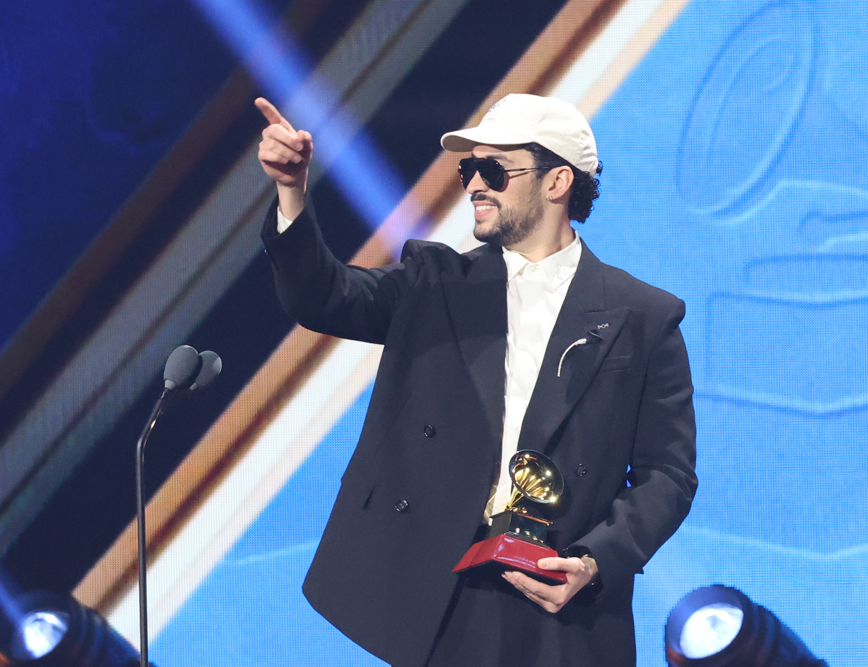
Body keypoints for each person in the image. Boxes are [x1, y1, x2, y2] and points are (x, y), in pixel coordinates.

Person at [255, 93, 697, 666]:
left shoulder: (643, 316)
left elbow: (667, 474)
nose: (474, 186)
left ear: (558, 181)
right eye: (469, 170)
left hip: (559, 596)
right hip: (442, 594)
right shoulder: (435, 283)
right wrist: (291, 190)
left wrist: (593, 561)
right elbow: (323, 297)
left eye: (495, 170)